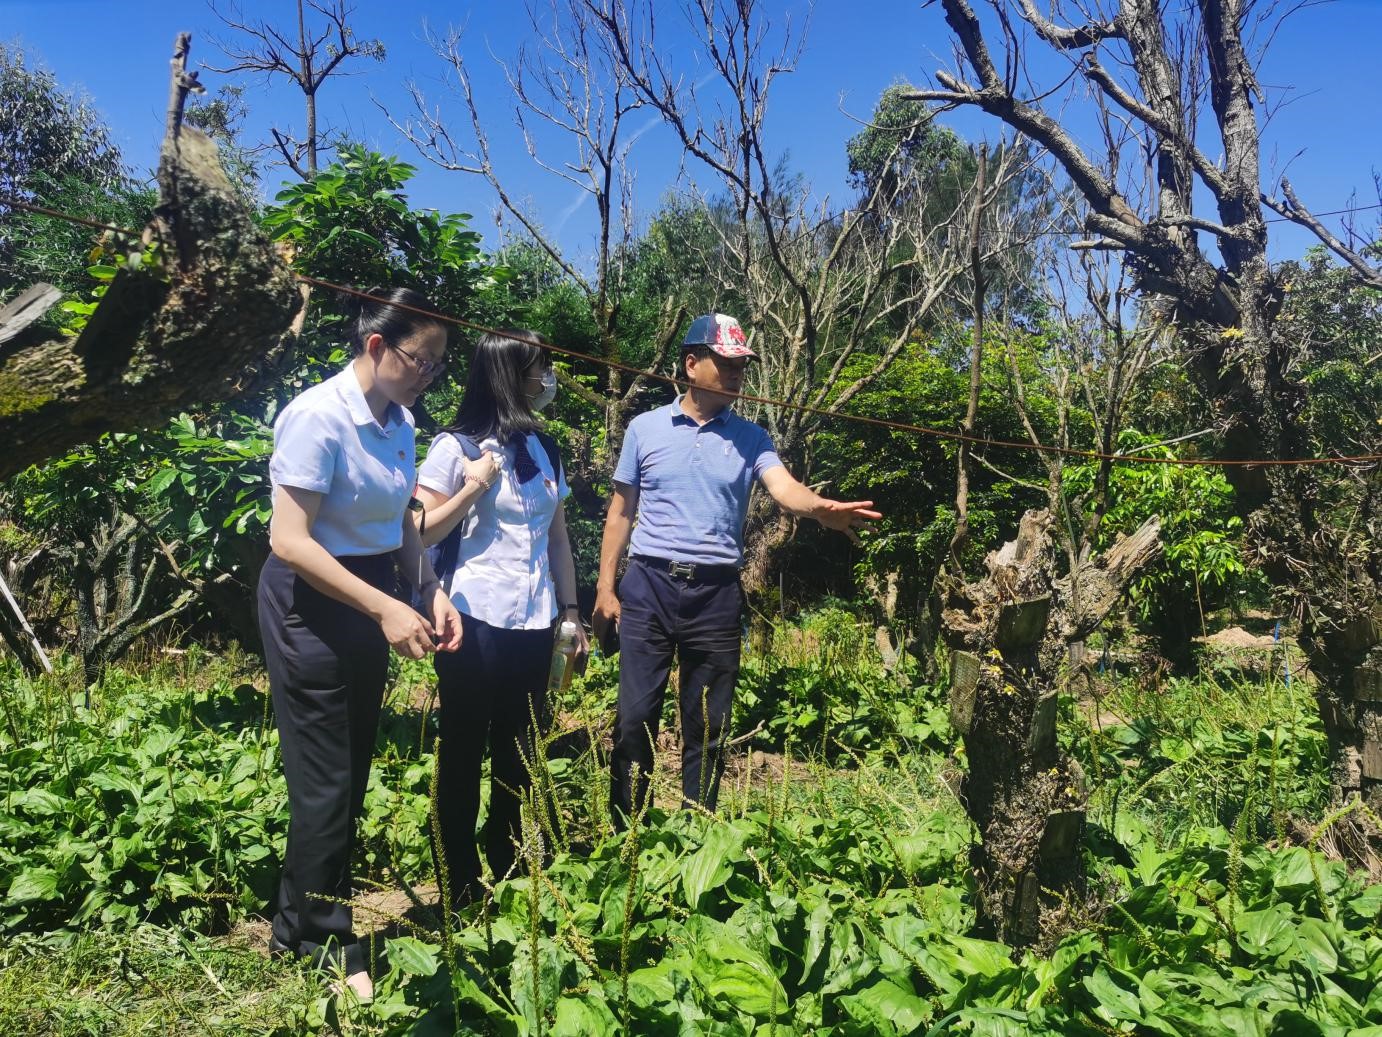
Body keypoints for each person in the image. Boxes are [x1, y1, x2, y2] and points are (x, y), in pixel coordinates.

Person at [593, 313, 881, 826]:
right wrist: (605, 588)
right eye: (725, 363)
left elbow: (783, 488)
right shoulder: (644, 429)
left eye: (740, 366)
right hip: (649, 586)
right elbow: (621, 512)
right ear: (691, 364)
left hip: (716, 595)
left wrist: (819, 508)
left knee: (707, 725)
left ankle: (698, 838)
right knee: (634, 719)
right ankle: (625, 840)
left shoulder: (752, 438)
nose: (735, 374)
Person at [257, 287, 462, 1001]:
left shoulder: (399, 421)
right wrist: (384, 607)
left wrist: (427, 587)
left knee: (349, 764)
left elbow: (402, 521)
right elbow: (288, 539)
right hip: (310, 603)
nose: (427, 376)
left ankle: (295, 921)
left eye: (437, 365)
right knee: (327, 780)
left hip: (368, 597)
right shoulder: (317, 416)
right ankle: (319, 939)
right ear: (376, 346)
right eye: (419, 360)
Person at [414, 329, 588, 908]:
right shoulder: (454, 446)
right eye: (540, 368)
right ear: (510, 377)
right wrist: (471, 489)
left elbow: (557, 539)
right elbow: (417, 532)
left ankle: (509, 859)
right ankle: (458, 879)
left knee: (519, 751)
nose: (547, 380)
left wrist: (570, 612)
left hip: (535, 623)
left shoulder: (545, 451)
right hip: (472, 620)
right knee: (463, 751)